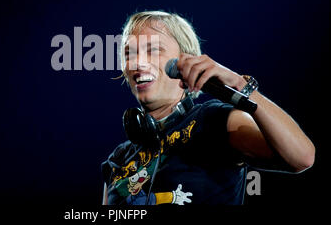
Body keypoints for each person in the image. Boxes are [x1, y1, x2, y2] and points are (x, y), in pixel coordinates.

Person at [101, 11, 315, 205]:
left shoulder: (214, 120)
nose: (137, 63)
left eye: (153, 50)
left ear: (184, 63)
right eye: (129, 53)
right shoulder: (118, 158)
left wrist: (242, 87)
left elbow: (301, 157)